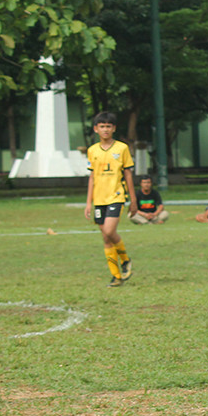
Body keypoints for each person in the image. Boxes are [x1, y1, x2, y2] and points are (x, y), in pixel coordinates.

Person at [84, 111, 136, 287]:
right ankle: (116, 276)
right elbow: (92, 177)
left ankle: (125, 259)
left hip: (116, 196)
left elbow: (128, 175)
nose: (105, 130)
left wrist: (133, 200)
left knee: (108, 231)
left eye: (108, 126)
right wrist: (88, 202)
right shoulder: (92, 151)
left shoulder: (121, 148)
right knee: (106, 238)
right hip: (99, 199)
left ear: (113, 128)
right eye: (102, 126)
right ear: (96, 129)